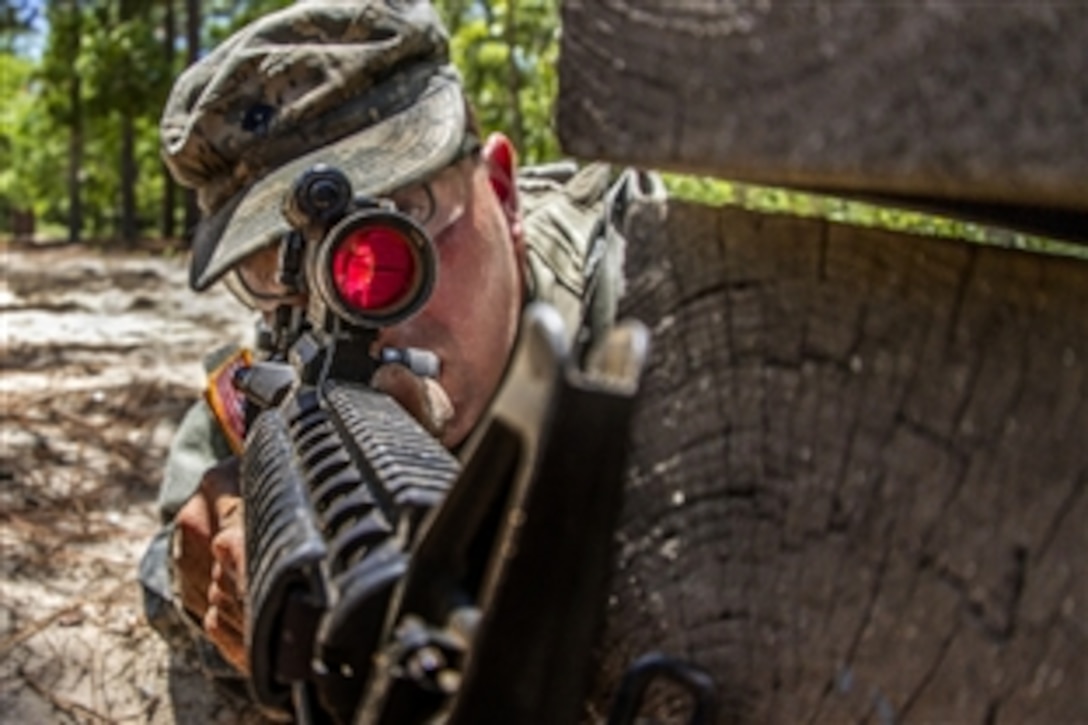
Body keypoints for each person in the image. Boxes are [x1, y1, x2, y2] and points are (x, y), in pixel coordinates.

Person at [138, 0, 664, 700]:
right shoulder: (282, 373)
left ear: (502, 193)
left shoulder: (645, 297)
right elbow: (168, 557)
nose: (360, 307)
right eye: (276, 266)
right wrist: (213, 580)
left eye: (400, 218)